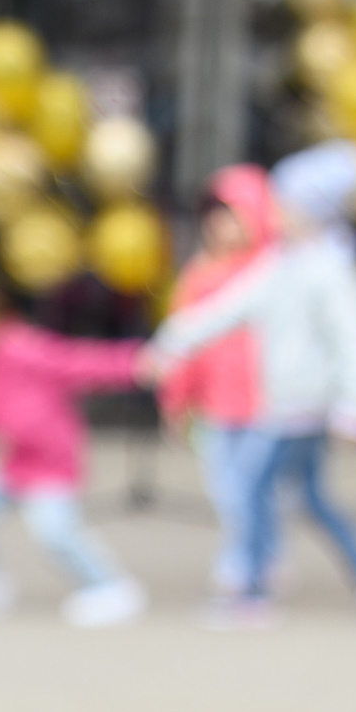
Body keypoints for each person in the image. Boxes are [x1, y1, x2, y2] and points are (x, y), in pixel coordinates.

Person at [144, 142, 356, 625]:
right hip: (286, 404)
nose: (272, 215)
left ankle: (251, 589)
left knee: (251, 488)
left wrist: (355, 406)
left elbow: (354, 343)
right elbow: (228, 308)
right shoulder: (283, 265)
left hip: (299, 408)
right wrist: (172, 343)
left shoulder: (327, 271)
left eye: (282, 206)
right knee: (310, 497)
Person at [0, 265, 149, 626]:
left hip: (51, 466)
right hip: (12, 465)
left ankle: (109, 586)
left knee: (56, 533)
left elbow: (81, 362)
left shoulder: (24, 350)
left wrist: (134, 363)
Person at [158, 166, 279, 595]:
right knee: (226, 489)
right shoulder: (199, 274)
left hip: (267, 402)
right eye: (215, 217)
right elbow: (182, 340)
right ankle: (246, 556)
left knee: (256, 489)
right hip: (214, 405)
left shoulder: (273, 272)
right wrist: (175, 399)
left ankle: (256, 558)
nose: (221, 226)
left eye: (233, 215)